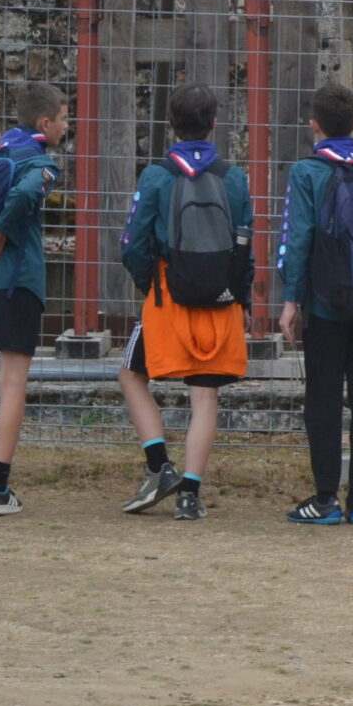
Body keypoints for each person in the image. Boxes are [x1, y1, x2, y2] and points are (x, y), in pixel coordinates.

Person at [117, 84, 252, 522]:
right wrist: (239, 295)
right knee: (204, 397)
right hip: (219, 300)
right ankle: (190, 496)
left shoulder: (156, 176)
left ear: (170, 124)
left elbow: (133, 244)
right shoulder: (233, 177)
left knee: (131, 375)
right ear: (215, 124)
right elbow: (245, 247)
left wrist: (151, 285)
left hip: (167, 297)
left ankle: (160, 466)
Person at [275, 82, 353, 527]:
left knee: (323, 397)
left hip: (326, 305)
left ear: (315, 127)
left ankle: (326, 496)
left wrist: (292, 299)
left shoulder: (306, 173)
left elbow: (298, 237)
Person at [0, 81, 70, 516]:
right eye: (65, 118)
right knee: (13, 382)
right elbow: (27, 193)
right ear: (45, 122)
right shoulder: (41, 162)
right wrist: (0, 236)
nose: (67, 127)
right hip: (16, 281)